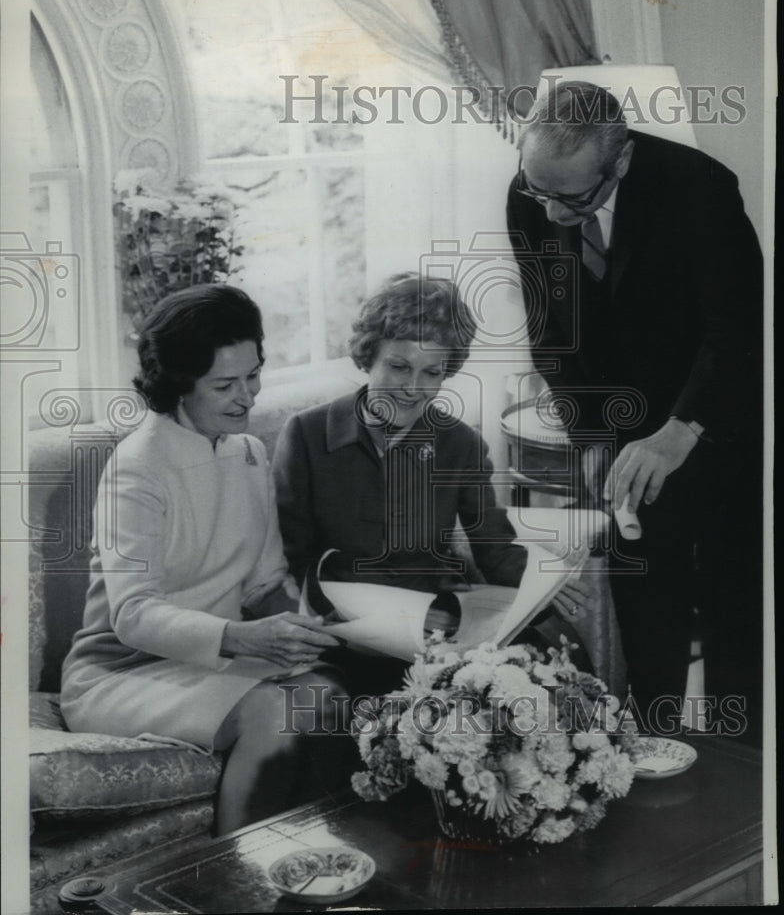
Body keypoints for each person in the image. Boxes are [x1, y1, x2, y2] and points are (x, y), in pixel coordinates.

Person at [506, 80, 763, 743]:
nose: (554, 215)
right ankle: (652, 762)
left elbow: (738, 329)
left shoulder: (699, 187)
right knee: (649, 623)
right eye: (540, 192)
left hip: (720, 424)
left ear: (618, 163)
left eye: (572, 199)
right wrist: (592, 439)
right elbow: (550, 336)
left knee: (739, 621)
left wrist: (682, 430)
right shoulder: (532, 193)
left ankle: (744, 788)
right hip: (620, 434)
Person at [61, 285, 345, 834]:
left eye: (254, 375)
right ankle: (235, 884)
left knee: (329, 694)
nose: (247, 397)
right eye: (225, 384)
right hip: (120, 672)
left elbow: (265, 580)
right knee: (274, 711)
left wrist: (307, 626)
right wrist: (243, 638)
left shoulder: (249, 452)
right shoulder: (137, 468)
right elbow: (133, 615)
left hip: (208, 662)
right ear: (179, 385)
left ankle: (308, 865)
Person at [272, 273, 588, 696]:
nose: (413, 388)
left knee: (561, 667)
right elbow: (291, 556)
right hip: (342, 629)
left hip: (435, 622)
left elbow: (494, 548)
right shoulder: (307, 434)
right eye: (399, 367)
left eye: (432, 372)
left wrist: (544, 582)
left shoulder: (460, 444)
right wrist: (325, 620)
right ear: (369, 358)